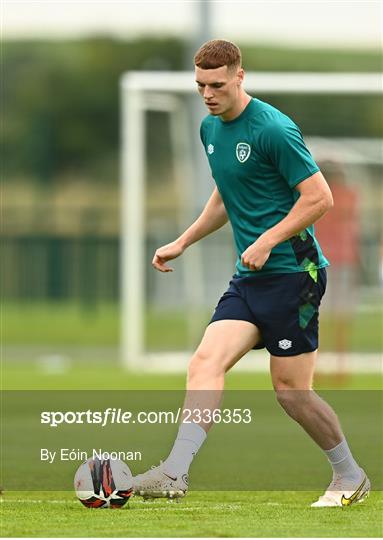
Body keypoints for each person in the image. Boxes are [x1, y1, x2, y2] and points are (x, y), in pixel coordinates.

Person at [133, 40, 370, 507]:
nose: (207, 94)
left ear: (240, 76)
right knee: (205, 362)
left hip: (295, 275)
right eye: (200, 85)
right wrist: (183, 241)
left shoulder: (273, 129)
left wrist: (266, 240)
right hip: (250, 278)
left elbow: (320, 198)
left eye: (217, 85)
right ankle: (175, 473)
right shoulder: (210, 129)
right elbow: (226, 195)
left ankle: (350, 476)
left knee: (291, 393)